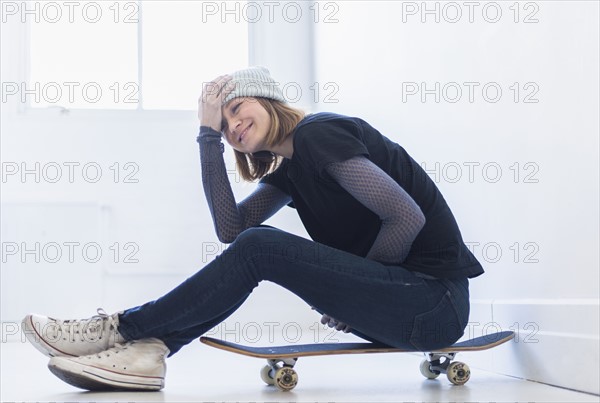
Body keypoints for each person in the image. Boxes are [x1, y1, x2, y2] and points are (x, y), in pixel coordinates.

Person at [22, 66, 484, 391]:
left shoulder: (317, 134)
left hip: (433, 302)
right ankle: (148, 351)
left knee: (261, 246)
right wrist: (205, 139)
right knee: (253, 243)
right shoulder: (292, 167)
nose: (233, 125)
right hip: (408, 308)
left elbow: (406, 216)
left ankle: (124, 330)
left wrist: (356, 284)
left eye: (238, 107)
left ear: (267, 99)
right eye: (222, 125)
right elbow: (231, 228)